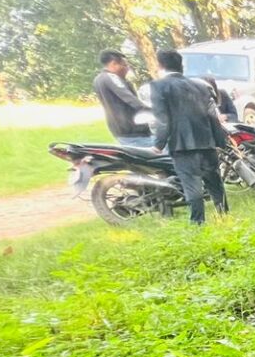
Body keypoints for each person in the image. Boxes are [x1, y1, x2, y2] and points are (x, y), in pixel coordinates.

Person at [150, 48, 229, 226]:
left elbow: (163, 119)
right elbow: (212, 116)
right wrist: (219, 141)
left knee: (192, 187)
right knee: (215, 183)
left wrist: (159, 144)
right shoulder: (201, 85)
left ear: (160, 65)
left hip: (181, 144)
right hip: (207, 141)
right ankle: (224, 216)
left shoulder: (159, 86)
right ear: (181, 65)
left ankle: (198, 223)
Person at [93, 51, 153, 146]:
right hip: (132, 132)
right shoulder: (111, 77)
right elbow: (130, 99)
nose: (127, 69)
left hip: (121, 131)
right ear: (114, 64)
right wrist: (154, 111)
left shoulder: (98, 79)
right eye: (125, 65)